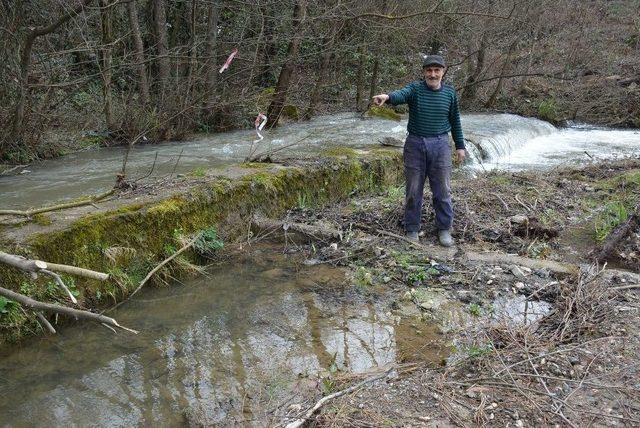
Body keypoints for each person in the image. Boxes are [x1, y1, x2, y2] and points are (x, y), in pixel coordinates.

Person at [372, 54, 465, 247]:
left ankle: (444, 228)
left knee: (443, 190)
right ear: (424, 72)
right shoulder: (415, 89)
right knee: (413, 189)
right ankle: (412, 227)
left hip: (441, 145)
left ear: (443, 71)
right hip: (415, 144)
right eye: (429, 70)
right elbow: (401, 95)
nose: (433, 74)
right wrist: (387, 97)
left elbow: (455, 120)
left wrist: (460, 146)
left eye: (436, 70)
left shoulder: (449, 93)